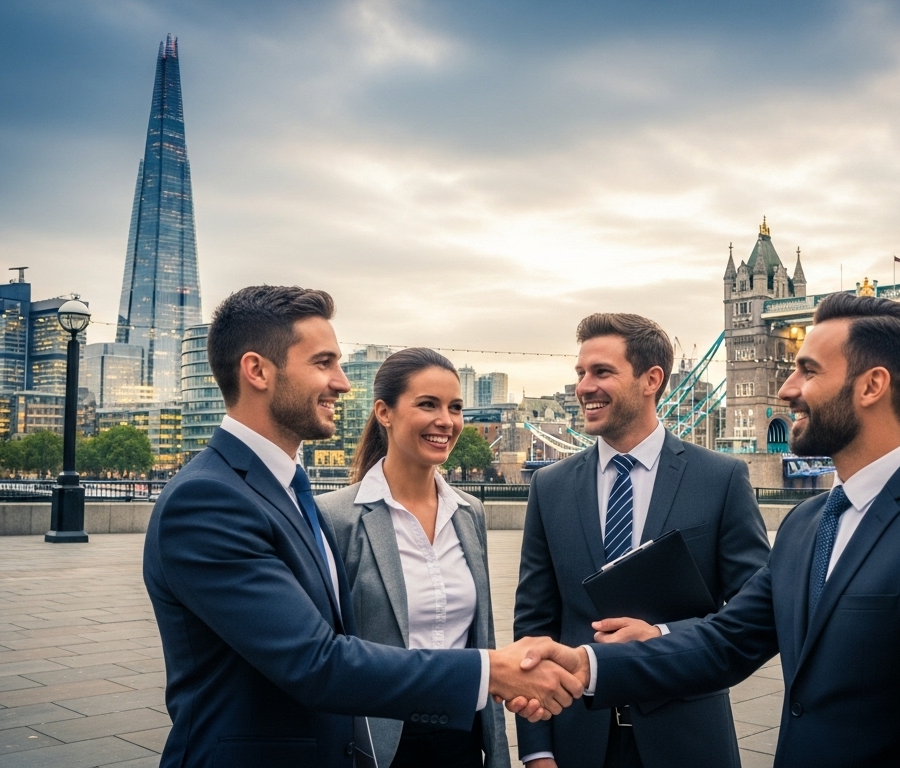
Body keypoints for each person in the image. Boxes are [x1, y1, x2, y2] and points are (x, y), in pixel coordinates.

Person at [534, 293, 900, 767]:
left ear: (872, 385)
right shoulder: (807, 524)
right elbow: (729, 639)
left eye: (808, 371)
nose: (786, 388)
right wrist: (588, 666)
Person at [143, 286, 583, 768]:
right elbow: (316, 662)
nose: (343, 382)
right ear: (257, 371)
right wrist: (491, 671)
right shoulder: (209, 499)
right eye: (323, 362)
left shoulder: (285, 487)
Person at [513, 313, 770, 768]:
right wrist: (536, 748)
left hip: (687, 738)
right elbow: (534, 623)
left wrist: (661, 635)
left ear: (652, 379)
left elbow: (757, 615)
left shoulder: (721, 479)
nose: (584, 387)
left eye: (602, 372)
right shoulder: (549, 486)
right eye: (580, 373)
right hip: (577, 742)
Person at [319, 348, 509, 768]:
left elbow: (483, 637)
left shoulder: (469, 512)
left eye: (455, 407)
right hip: (379, 744)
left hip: (462, 738)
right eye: (428, 404)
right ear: (384, 412)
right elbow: (328, 654)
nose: (446, 420)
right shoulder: (335, 517)